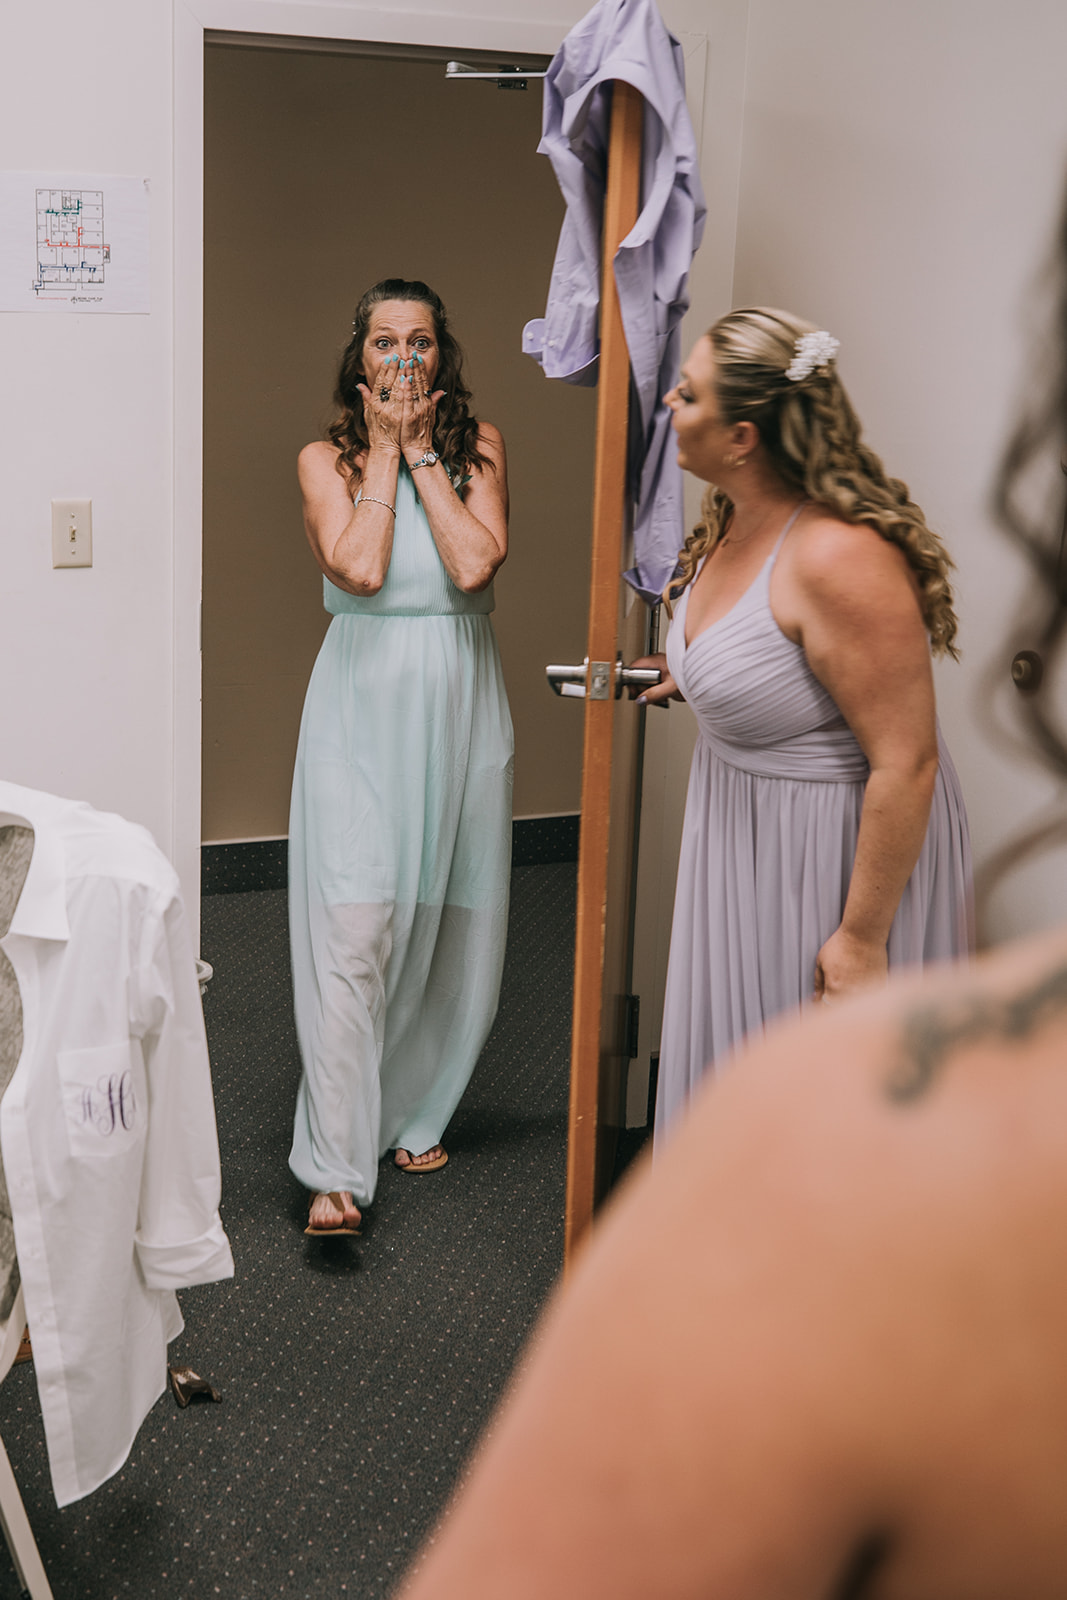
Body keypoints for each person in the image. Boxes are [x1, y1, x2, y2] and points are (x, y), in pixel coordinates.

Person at [636, 308, 973, 1137]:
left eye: (688, 393)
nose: (670, 403)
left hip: (826, 855)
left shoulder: (836, 556)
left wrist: (858, 939)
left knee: (819, 1116)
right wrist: (695, 673)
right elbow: (768, 652)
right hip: (742, 835)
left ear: (743, 435)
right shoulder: (731, 517)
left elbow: (907, 762)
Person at [288, 279, 513, 1236]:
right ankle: (336, 1166)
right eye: (385, 343)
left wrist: (422, 449)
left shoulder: (481, 450)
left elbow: (472, 565)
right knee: (358, 925)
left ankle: (419, 1106)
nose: (404, 360)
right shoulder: (321, 460)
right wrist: (381, 449)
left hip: (460, 707)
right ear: (359, 358)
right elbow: (361, 568)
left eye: (420, 343)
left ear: (443, 356)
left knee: (450, 921)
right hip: (360, 710)